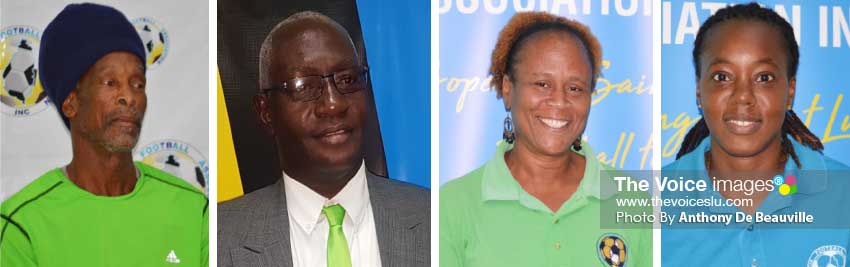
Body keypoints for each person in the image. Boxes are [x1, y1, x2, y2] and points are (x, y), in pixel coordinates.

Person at [0, 3, 208, 267]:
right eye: (110, 83)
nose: (129, 97)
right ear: (71, 102)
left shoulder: (192, 209)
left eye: (138, 84)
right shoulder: (22, 226)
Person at [217, 11, 430, 267]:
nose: (333, 104)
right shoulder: (220, 236)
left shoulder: (431, 217)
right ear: (266, 112)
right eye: (305, 87)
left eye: (348, 80)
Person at [440, 12, 651, 267]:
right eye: (542, 84)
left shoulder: (632, 199)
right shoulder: (453, 205)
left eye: (575, 88)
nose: (560, 101)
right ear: (508, 89)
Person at [662, 3, 850, 266]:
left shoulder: (843, 196)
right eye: (721, 77)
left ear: (790, 92)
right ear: (698, 90)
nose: (742, 96)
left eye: (763, 78)